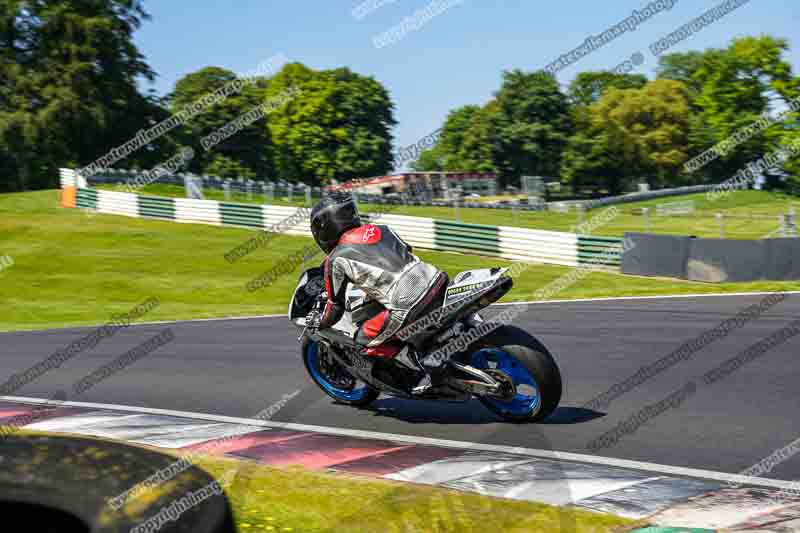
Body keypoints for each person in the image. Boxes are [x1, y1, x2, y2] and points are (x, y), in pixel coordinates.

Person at [305, 192, 449, 394]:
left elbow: (335, 306)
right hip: (436, 278)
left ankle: (419, 374)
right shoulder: (383, 229)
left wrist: (319, 323)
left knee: (363, 340)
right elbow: (404, 253)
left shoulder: (336, 259)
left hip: (408, 302)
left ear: (325, 227)